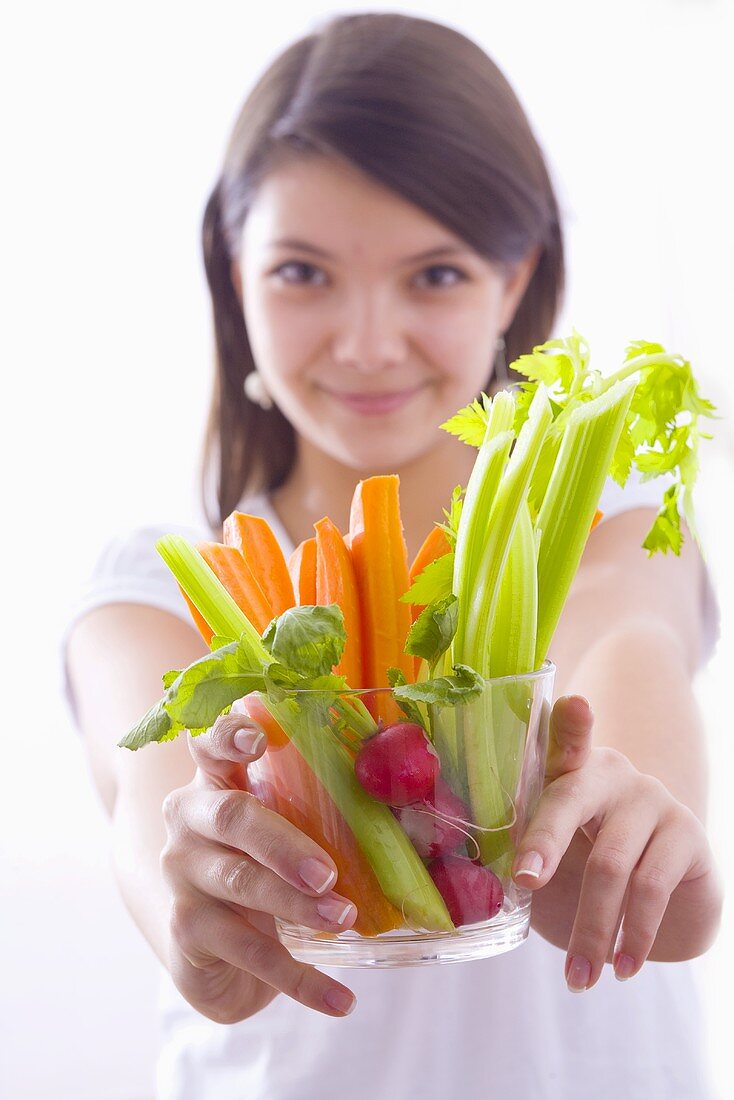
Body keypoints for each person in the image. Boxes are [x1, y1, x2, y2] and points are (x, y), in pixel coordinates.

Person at [62, 12, 723, 1100]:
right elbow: (158, 817)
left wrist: (646, 850)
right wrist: (192, 905)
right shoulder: (156, 588)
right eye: (302, 273)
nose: (367, 341)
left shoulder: (608, 540)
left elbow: (635, 731)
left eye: (435, 275)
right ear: (234, 277)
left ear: (515, 283)